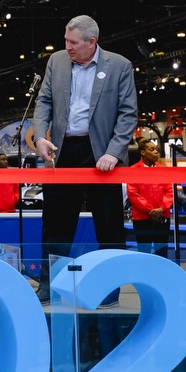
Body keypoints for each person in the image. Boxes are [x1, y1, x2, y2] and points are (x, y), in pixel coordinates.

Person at [31, 15, 138, 301]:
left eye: (73, 42)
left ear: (92, 42)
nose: (67, 47)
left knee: (109, 225)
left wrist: (113, 152)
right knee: (55, 224)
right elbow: (43, 101)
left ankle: (110, 290)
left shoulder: (119, 66)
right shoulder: (56, 61)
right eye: (65, 40)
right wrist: (40, 136)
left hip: (102, 155)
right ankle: (49, 284)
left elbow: (128, 114)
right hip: (63, 152)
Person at [127, 138, 174, 257]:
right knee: (144, 253)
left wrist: (161, 209)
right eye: (152, 149)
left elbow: (170, 192)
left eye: (156, 149)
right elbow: (133, 193)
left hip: (162, 216)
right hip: (141, 218)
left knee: (162, 253)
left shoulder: (163, 170)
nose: (156, 152)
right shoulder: (133, 170)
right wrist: (151, 210)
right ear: (143, 152)